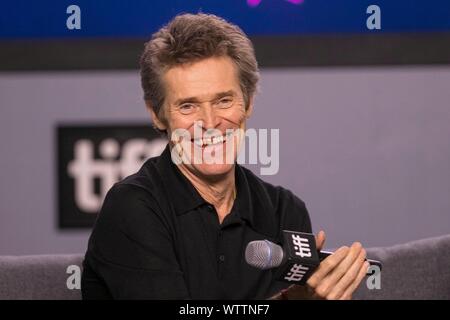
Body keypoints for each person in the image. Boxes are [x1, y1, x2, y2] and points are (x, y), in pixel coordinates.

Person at [81, 13, 369, 300]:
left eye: (224, 100)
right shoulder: (133, 208)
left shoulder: (285, 211)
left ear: (248, 102)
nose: (209, 122)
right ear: (157, 114)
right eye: (188, 106)